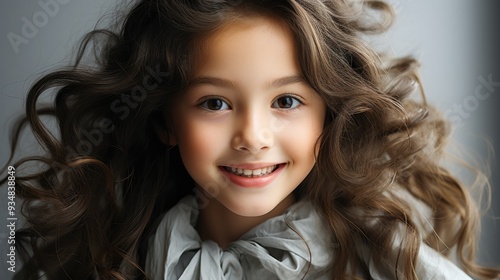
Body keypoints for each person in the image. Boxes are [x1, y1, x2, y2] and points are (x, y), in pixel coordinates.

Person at [1, 0, 499, 279]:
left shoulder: (382, 255)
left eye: (286, 101)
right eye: (215, 103)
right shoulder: (123, 254)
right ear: (165, 122)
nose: (253, 138)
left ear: (328, 116)